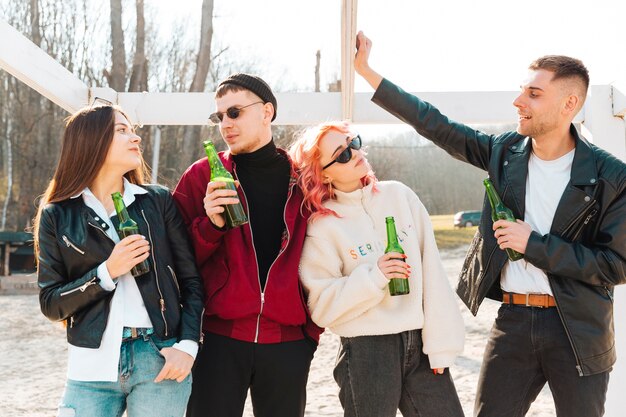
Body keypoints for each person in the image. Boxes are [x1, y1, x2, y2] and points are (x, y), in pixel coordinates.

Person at [354, 31, 626, 417]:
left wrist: (534, 244)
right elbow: (436, 124)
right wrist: (368, 73)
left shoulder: (611, 176)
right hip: (513, 322)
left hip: (579, 329)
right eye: (521, 90)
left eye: (533, 94)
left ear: (569, 104)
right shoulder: (504, 154)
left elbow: (615, 265)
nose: (518, 101)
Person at [35, 103, 204, 417]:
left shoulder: (158, 202)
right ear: (91, 141)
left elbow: (191, 282)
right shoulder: (57, 215)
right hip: (90, 366)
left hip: (160, 357)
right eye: (122, 130)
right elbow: (50, 302)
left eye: (133, 130)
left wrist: (188, 346)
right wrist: (106, 273)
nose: (135, 138)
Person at [289, 121, 465, 417]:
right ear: (323, 173)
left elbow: (433, 272)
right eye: (342, 154)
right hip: (366, 352)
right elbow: (322, 308)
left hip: (421, 344)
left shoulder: (400, 196)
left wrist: (441, 343)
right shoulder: (323, 226)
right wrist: (375, 277)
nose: (355, 152)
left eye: (353, 142)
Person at [173, 73, 323, 417]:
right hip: (218, 340)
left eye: (235, 112)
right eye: (219, 116)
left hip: (289, 343)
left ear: (266, 112)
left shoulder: (304, 180)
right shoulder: (201, 177)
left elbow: (330, 251)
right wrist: (211, 226)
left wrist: (309, 335)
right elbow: (176, 261)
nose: (225, 123)